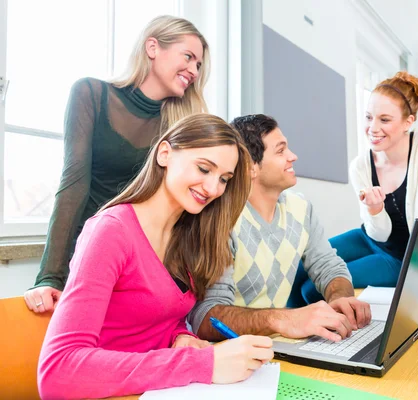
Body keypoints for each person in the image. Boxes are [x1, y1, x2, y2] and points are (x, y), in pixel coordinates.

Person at [37, 114, 274, 399]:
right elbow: (57, 372)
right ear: (164, 154)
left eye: (224, 179)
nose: (213, 189)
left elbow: (155, 319)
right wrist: (202, 363)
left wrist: (179, 336)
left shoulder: (185, 235)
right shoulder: (110, 232)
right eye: (203, 168)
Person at [25, 15, 211, 313]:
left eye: (199, 65)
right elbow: (73, 185)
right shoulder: (91, 94)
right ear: (153, 47)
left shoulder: (180, 127)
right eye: (188, 57)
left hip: (145, 265)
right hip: (89, 255)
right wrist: (49, 276)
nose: (194, 70)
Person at [189, 114, 372, 344]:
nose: (293, 156)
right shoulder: (222, 219)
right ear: (250, 167)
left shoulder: (302, 209)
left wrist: (341, 299)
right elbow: (206, 317)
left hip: (280, 346)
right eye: (280, 150)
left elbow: (329, 267)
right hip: (232, 354)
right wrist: (284, 319)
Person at [299, 71, 418, 304]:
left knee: (313, 289)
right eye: (369, 117)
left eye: (385, 120)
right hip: (369, 238)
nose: (372, 128)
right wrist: (375, 210)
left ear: (408, 122)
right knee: (301, 266)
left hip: (399, 259)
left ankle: (311, 333)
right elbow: (378, 233)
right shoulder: (360, 166)